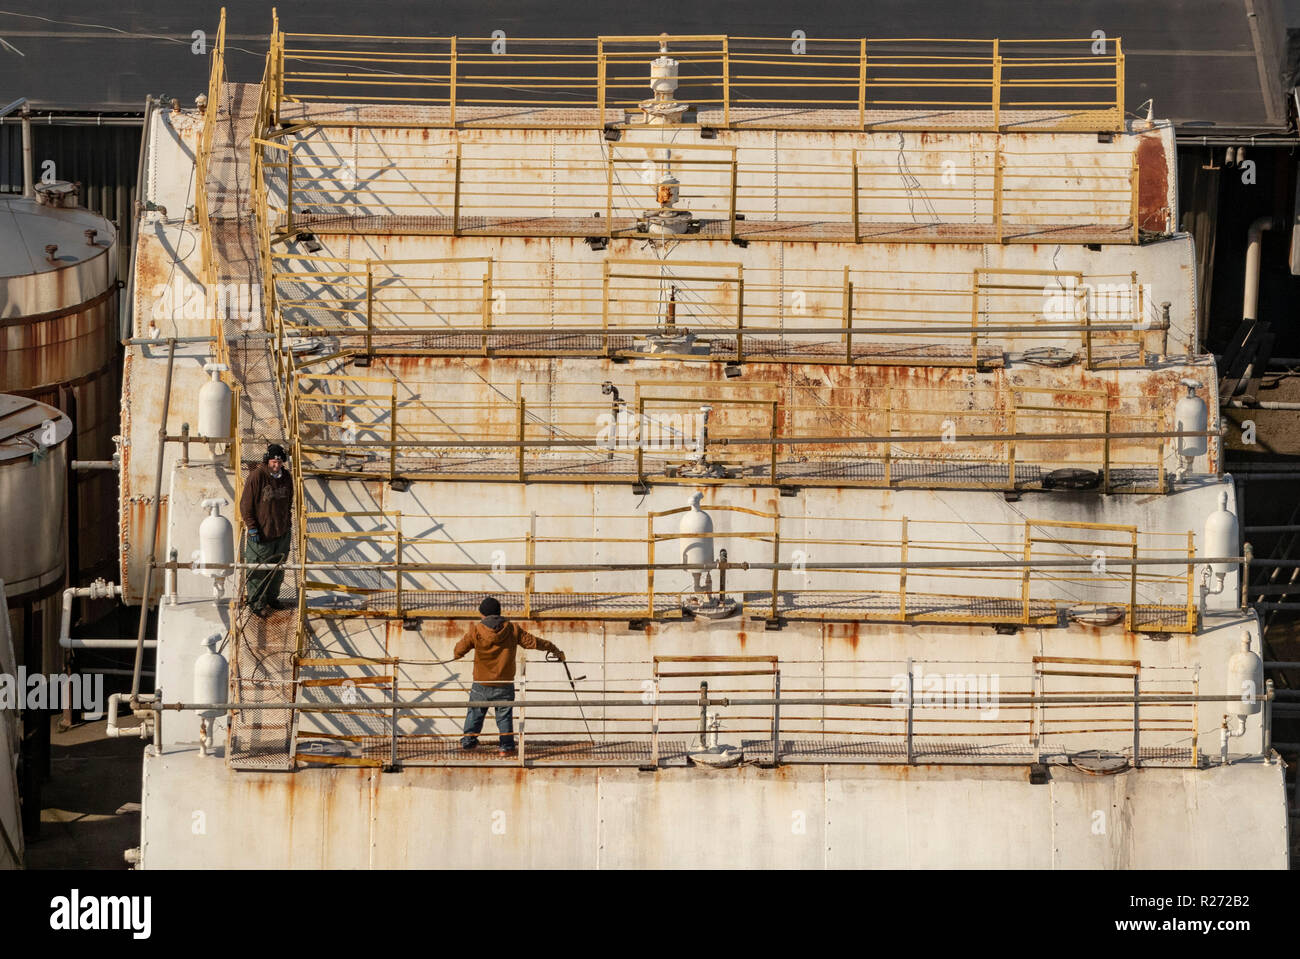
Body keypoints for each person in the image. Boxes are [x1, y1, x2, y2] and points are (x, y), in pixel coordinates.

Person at [453, 596, 564, 755]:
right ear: (499, 612)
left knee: (475, 713)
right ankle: (505, 747)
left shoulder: (476, 631)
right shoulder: (512, 629)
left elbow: (457, 651)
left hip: (481, 683)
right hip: (504, 684)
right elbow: (534, 642)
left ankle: (469, 743)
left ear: (483, 614)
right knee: (504, 716)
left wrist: (458, 654)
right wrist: (552, 648)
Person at [239, 442, 294, 618]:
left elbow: (289, 500)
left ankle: (272, 598)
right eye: (273, 462)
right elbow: (245, 504)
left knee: (277, 569)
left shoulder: (286, 477)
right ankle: (256, 603)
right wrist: (252, 527)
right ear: (267, 460)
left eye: (279, 462)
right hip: (262, 534)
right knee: (258, 570)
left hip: (281, 532)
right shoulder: (257, 476)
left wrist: (288, 523)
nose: (276, 465)